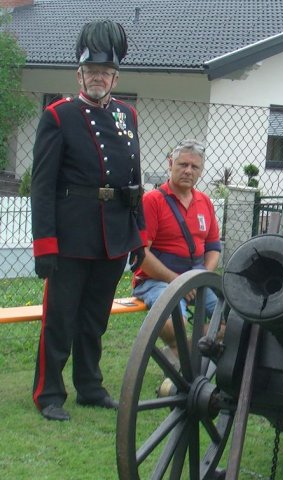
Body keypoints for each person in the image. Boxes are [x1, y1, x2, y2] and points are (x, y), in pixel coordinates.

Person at [31, 20, 147, 421]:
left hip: (113, 235)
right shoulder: (58, 116)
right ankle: (48, 394)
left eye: (106, 71)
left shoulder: (126, 115)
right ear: (79, 74)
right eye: (91, 71)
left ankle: (90, 387)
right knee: (60, 319)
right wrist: (44, 244)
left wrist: (139, 236)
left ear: (115, 76)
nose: (98, 77)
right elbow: (42, 187)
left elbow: (135, 180)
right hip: (71, 236)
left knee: (95, 320)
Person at [132, 139, 221, 356]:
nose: (188, 171)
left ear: (201, 171)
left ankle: (184, 350)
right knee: (173, 327)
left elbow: (213, 248)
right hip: (156, 280)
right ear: (170, 163)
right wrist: (177, 281)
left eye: (195, 167)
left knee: (235, 321)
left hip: (195, 278)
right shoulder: (152, 201)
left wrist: (203, 277)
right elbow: (142, 254)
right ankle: (183, 349)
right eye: (183, 165)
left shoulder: (205, 202)